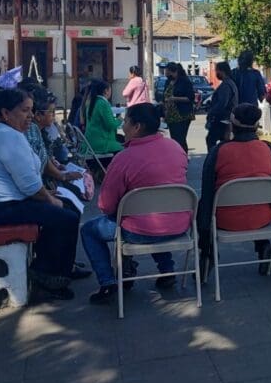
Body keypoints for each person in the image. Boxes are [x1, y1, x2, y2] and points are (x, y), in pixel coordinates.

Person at [0, 88, 80, 300]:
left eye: (32, 110)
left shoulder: (5, 132)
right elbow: (30, 186)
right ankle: (48, 278)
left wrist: (49, 195)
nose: (30, 116)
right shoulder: (6, 136)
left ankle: (62, 266)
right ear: (5, 113)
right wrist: (50, 199)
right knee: (66, 217)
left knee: (67, 208)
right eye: (24, 110)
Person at [81, 103, 192, 304]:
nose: (122, 126)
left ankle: (108, 282)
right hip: (179, 225)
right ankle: (167, 271)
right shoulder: (176, 148)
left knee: (89, 230)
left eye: (125, 121)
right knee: (157, 212)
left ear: (137, 126)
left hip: (139, 230)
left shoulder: (124, 158)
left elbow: (106, 205)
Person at [198, 103, 271, 275]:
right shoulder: (270, 150)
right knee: (256, 194)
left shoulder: (219, 151)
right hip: (262, 218)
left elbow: (207, 192)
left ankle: (208, 253)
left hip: (225, 220)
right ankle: (263, 245)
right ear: (256, 125)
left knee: (202, 204)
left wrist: (204, 227)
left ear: (232, 124)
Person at [83, 79, 124, 158]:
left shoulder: (92, 102)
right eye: (110, 89)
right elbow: (111, 125)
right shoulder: (103, 103)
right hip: (101, 143)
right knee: (125, 148)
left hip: (90, 141)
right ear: (106, 91)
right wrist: (119, 120)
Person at [162, 62, 195, 152]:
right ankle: (176, 155)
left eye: (168, 73)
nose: (167, 75)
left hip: (182, 114)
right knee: (174, 139)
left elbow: (190, 98)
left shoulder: (184, 81)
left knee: (180, 139)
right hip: (170, 115)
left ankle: (183, 156)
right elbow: (164, 96)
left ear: (175, 71)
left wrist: (174, 98)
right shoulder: (168, 82)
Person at [205, 61, 238, 152]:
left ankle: (214, 158)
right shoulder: (230, 83)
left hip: (223, 118)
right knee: (222, 141)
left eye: (216, 71)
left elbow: (222, 103)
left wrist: (212, 112)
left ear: (222, 71)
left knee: (211, 139)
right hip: (226, 117)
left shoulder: (226, 85)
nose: (216, 73)